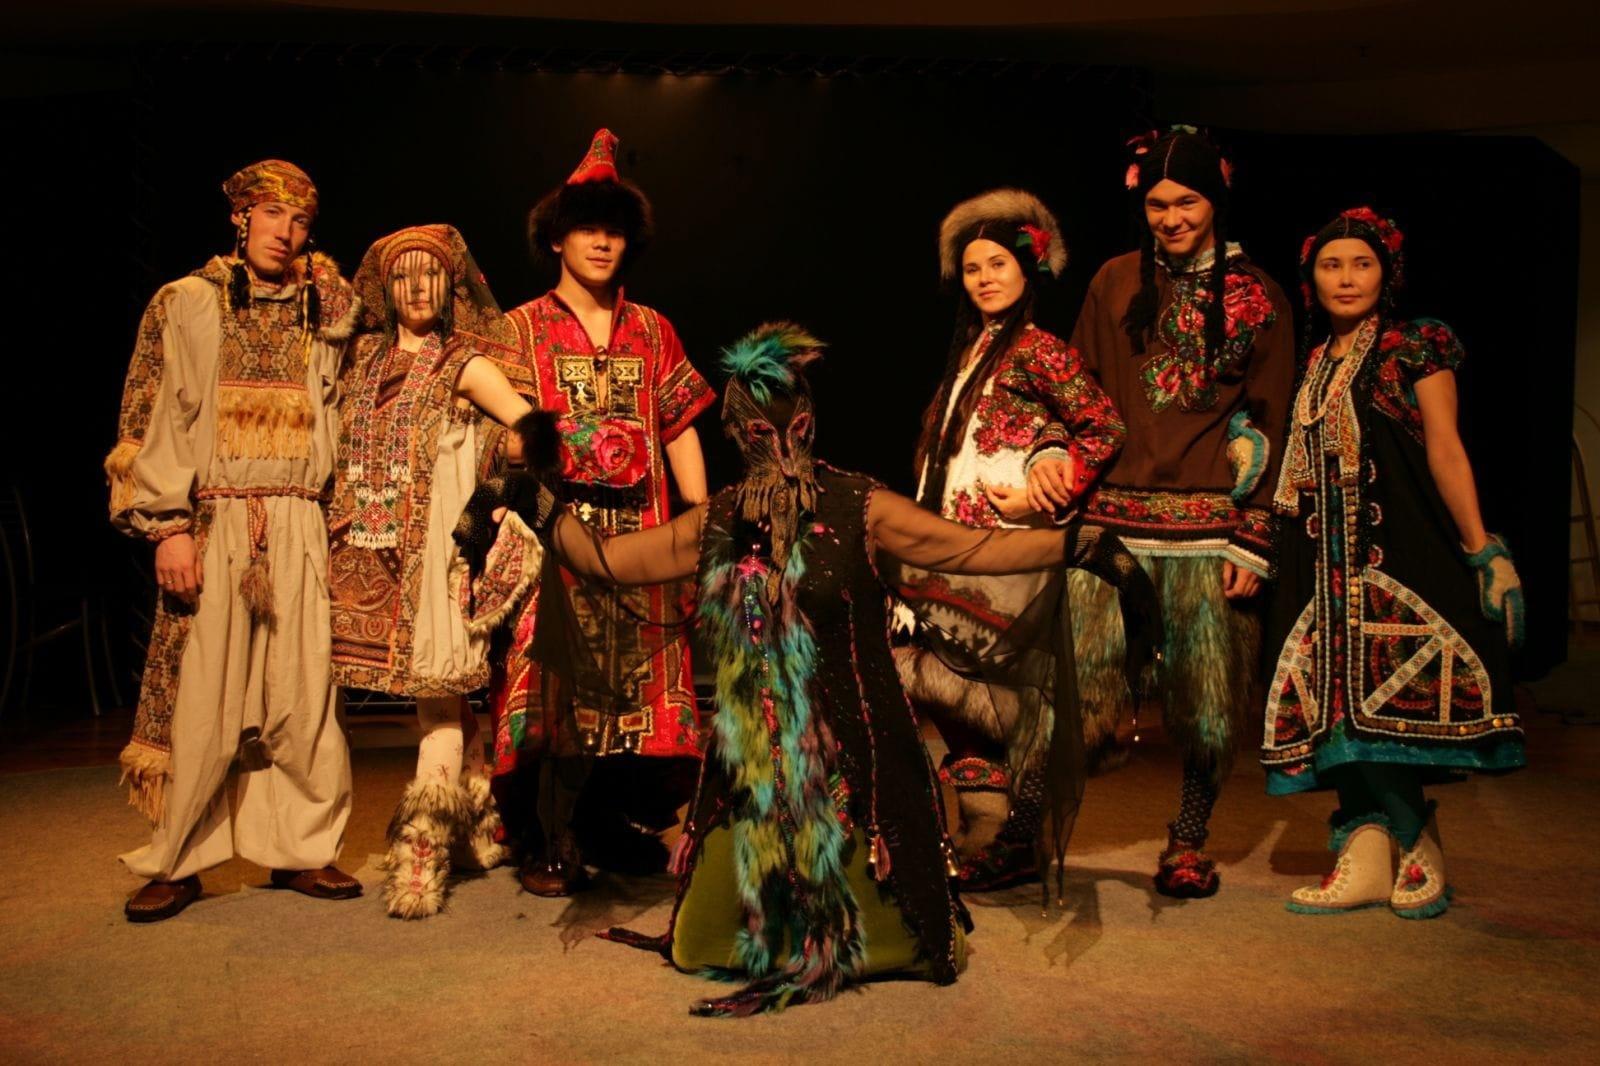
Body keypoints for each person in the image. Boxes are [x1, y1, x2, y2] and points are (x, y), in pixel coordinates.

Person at [459, 322, 1157, 1015]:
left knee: (900, 942)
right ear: (739, 436)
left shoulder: (861, 507)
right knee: (700, 945)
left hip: (855, 770)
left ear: (808, 426)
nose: (777, 450)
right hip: (751, 772)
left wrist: (1087, 546)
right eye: (756, 434)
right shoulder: (720, 520)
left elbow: (972, 551)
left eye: (787, 430)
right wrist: (526, 498)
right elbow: (606, 561)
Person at [105, 160, 362, 922]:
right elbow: (152, 411)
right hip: (214, 518)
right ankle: (180, 858)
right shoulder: (187, 302)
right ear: (241, 217)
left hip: (299, 518)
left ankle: (301, 848)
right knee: (204, 699)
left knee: (302, 692)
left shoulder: (325, 312)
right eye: (272, 214)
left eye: (301, 221)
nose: (286, 232)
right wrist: (168, 526)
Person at [1264, 206, 1525, 918]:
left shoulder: (1414, 346)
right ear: (1312, 278)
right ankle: (1366, 850)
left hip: (1393, 552)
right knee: (1335, 710)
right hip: (1319, 561)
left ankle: (1415, 841)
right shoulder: (1313, 363)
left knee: (1387, 701)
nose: (1346, 278)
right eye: (1331, 265)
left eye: (1362, 264)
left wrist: (1483, 549)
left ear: (1387, 274)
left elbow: (1445, 447)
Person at [486, 128, 715, 896]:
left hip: (643, 541)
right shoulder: (519, 328)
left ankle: (606, 826)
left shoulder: (652, 328)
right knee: (553, 688)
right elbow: (496, 434)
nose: (602, 242)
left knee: (636, 689)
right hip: (555, 538)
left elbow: (678, 423)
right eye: (587, 227)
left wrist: (703, 517)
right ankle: (544, 836)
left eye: (614, 230)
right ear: (557, 238)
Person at [1068, 127, 1296, 897]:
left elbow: (1274, 415)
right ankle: (1028, 830)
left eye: (1188, 202)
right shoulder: (1113, 282)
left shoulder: (1258, 296)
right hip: (1114, 519)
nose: (1171, 218)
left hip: (1210, 527)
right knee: (1077, 691)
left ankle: (1189, 841)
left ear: (1216, 201)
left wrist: (1254, 535)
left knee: (1207, 706)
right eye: (1158, 204)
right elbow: (1078, 388)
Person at [896, 188, 1126, 889]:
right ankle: (987, 826)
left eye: (998, 263)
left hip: (1006, 549)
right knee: (945, 685)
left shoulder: (1039, 349)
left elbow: (1104, 426)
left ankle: (1014, 836)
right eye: (972, 268)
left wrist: (1045, 490)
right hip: (955, 546)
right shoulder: (970, 353)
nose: (985, 278)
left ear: (1029, 269)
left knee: (1005, 695)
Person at [330, 224, 533, 918]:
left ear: (452, 286)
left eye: (432, 275)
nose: (417, 289)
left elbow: (530, 430)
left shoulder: (464, 364)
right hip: (368, 558)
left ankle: (422, 852)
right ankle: (476, 824)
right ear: (383, 288)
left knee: (438, 696)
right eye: (403, 276)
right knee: (438, 701)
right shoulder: (361, 360)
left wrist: (492, 503)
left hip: (435, 558)